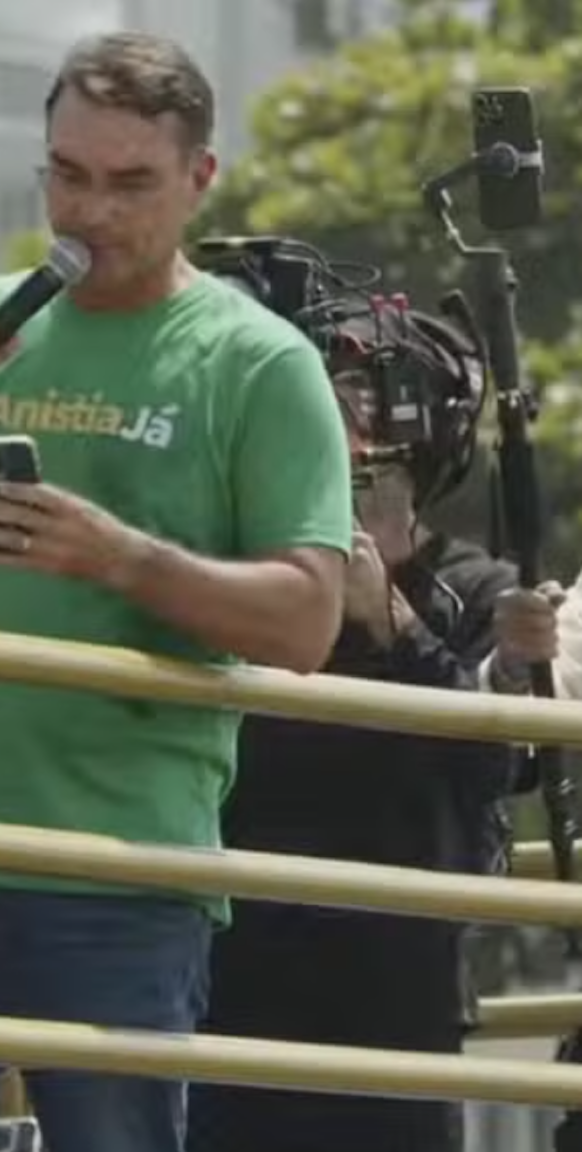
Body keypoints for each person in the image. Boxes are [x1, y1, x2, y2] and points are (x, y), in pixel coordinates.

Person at [0, 32, 352, 1152]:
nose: (88, 212)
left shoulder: (259, 363)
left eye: (128, 183)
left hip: (123, 871)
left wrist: (119, 558)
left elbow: (307, 620)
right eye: (66, 174)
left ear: (200, 179)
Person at [188, 299, 530, 1152]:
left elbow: (495, 764)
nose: (345, 423)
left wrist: (394, 624)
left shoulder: (480, 589)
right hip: (230, 985)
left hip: (396, 998)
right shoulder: (247, 568)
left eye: (364, 398)